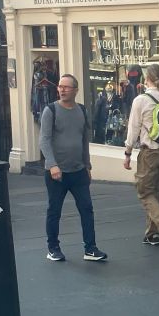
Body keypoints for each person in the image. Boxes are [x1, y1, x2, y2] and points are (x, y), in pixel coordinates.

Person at [38, 73, 107, 263]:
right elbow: (44, 140)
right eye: (60, 86)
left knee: (87, 209)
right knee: (54, 211)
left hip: (78, 171)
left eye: (66, 87)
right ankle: (53, 248)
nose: (62, 89)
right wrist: (52, 165)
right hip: (56, 173)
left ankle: (90, 248)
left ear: (75, 90)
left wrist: (87, 165)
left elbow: (84, 140)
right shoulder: (50, 110)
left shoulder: (82, 111)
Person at [123, 63, 159, 249]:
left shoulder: (141, 100)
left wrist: (127, 153)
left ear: (146, 78)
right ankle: (151, 234)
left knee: (144, 192)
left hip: (149, 153)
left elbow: (133, 129)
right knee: (154, 192)